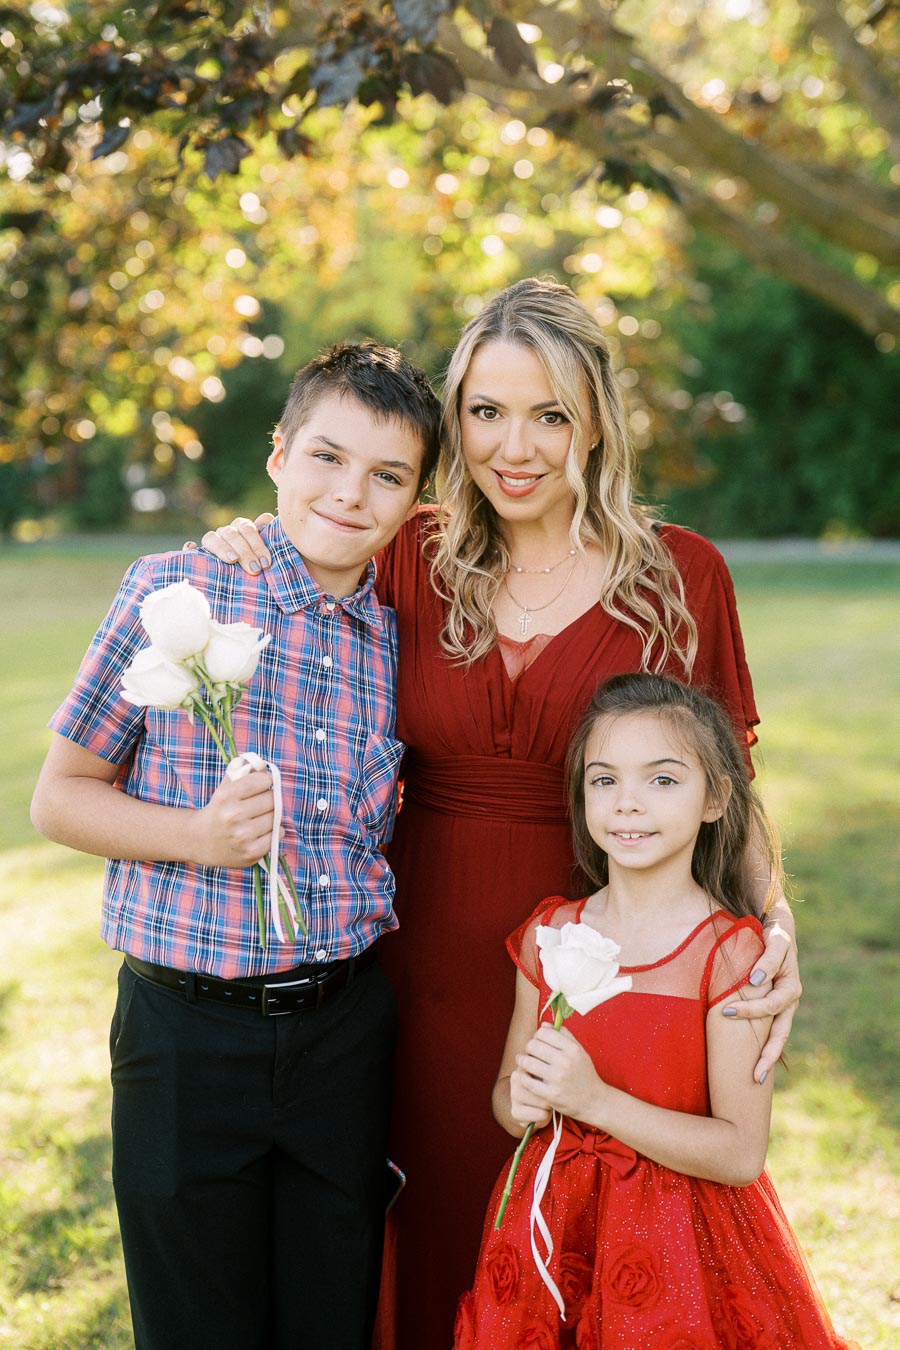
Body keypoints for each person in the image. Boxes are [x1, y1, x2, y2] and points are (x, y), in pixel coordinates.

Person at [199, 277, 802, 1348]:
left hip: (612, 971)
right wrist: (245, 538)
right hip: (412, 960)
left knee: (582, 1235)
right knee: (425, 1220)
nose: (514, 446)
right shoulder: (407, 557)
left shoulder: (682, 578)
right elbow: (305, 547)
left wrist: (775, 933)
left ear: (597, 425)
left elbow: (731, 790)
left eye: (550, 414)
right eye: (486, 411)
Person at [30, 342, 442, 1350]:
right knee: (195, 1322)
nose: (350, 493)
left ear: (418, 498)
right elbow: (60, 798)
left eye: (388, 476)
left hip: (342, 1035)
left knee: (329, 1313)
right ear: (277, 455)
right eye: (326, 458)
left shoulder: (404, 637)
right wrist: (196, 837)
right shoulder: (178, 592)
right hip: (185, 1036)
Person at [453, 672, 854, 1349]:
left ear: (715, 797)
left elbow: (740, 1153)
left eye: (662, 780)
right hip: (553, 1232)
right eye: (604, 781)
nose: (628, 805)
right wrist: (521, 1103)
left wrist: (594, 1101)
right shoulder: (551, 935)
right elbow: (507, 1098)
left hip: (684, 1248)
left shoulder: (731, 955)